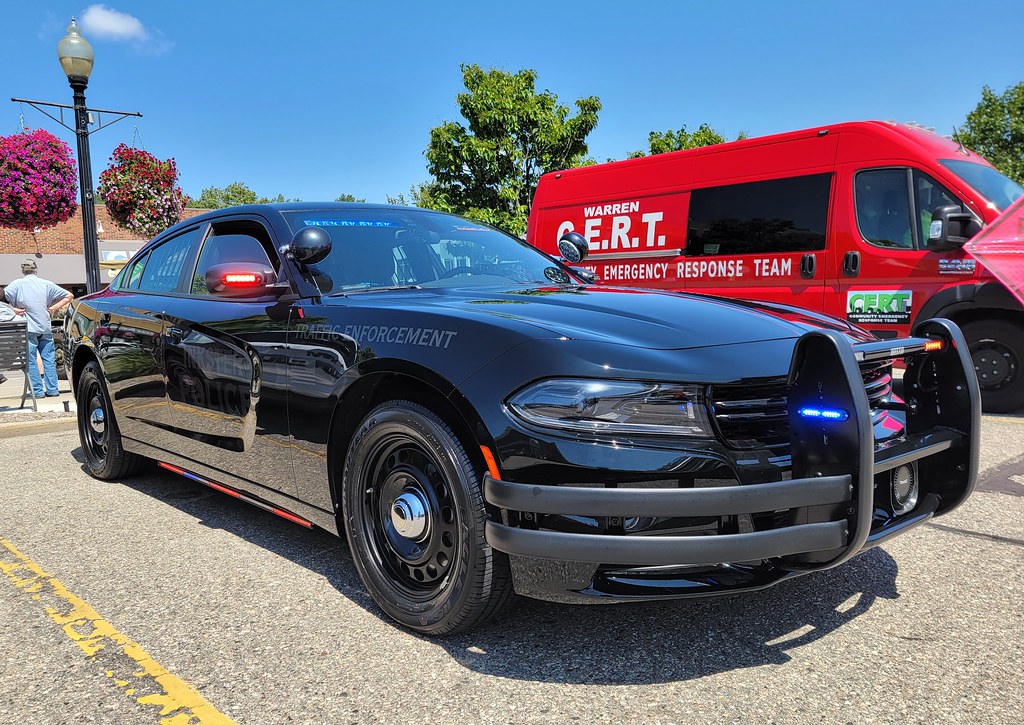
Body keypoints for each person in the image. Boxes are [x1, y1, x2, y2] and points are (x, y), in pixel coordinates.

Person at [3, 260, 73, 397]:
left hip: (27, 328)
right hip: (45, 327)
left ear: (23, 270)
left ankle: (37, 391)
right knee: (49, 359)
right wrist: (53, 308)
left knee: (31, 361)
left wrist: (14, 310)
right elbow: (69, 296)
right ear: (36, 269)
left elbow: (2, 300)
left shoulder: (16, 285)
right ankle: (53, 390)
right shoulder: (46, 284)